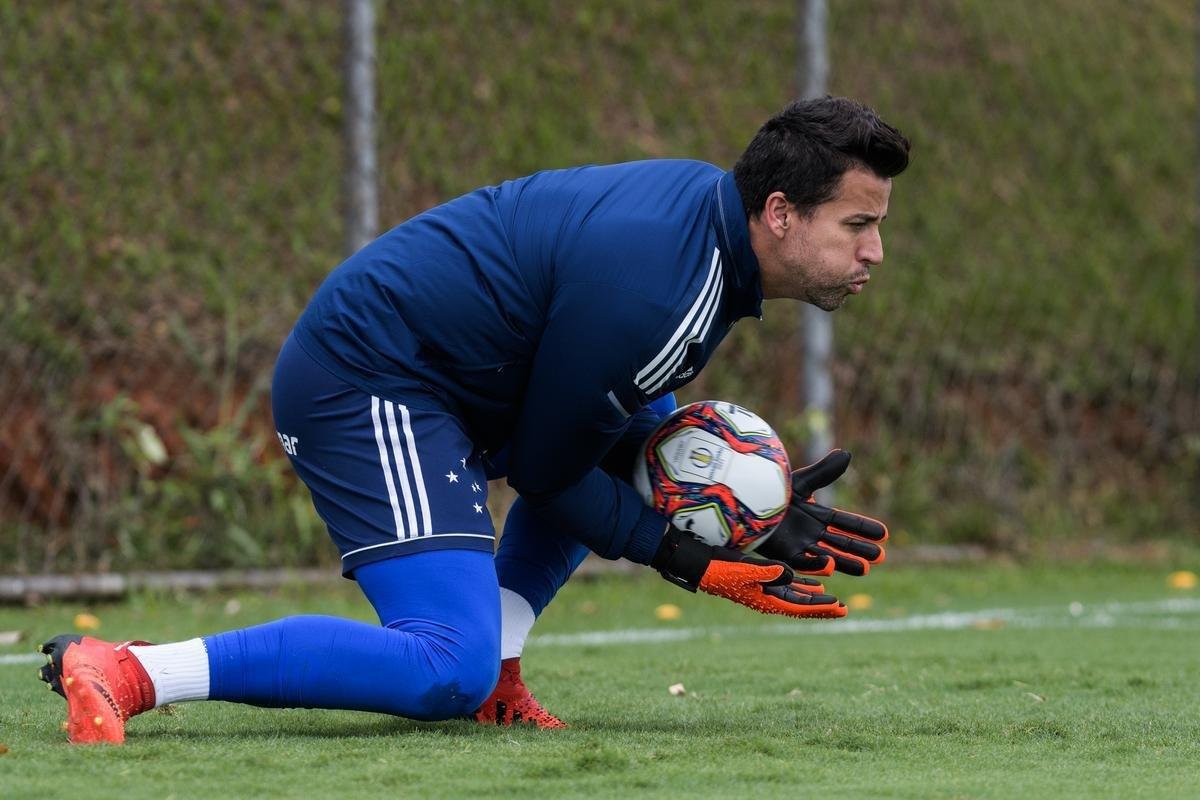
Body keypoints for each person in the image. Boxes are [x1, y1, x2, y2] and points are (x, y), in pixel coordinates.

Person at [38, 96, 909, 743]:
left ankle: (500, 674)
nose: (872, 252)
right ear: (781, 214)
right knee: (441, 665)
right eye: (858, 225)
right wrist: (684, 553)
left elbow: (591, 442)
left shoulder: (703, 233)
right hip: (371, 377)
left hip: (452, 376)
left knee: (631, 433)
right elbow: (547, 471)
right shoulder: (661, 294)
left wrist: (739, 502)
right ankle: (128, 670)